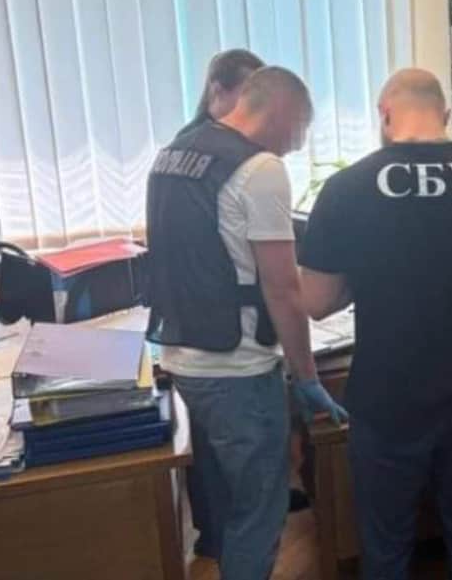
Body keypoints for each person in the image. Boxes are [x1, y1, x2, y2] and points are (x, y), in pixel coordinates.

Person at [299, 68, 452, 579]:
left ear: (385, 115)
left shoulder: (346, 189)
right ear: (445, 114)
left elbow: (315, 301)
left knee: (386, 545)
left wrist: (367, 277)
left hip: (387, 396)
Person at [145, 66, 346, 580]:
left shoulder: (173, 155)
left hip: (183, 358)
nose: (295, 147)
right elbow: (282, 288)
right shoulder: (260, 169)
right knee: (260, 512)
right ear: (280, 111)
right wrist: (306, 377)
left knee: (224, 506)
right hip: (238, 369)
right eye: (298, 131)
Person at [169, 48, 268, 560]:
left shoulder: (179, 151)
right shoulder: (239, 160)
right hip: (231, 345)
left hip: (190, 341)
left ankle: (216, 535)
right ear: (217, 90)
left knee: (217, 459)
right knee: (251, 496)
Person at [177, 48, 266, 138]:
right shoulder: (194, 140)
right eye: (249, 94)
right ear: (218, 91)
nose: (256, 103)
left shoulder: (251, 134)